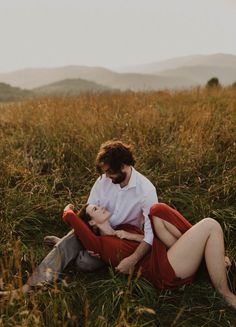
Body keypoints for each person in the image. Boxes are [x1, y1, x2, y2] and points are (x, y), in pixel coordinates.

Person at [6, 140, 158, 291]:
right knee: (70, 243)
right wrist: (88, 240)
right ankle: (30, 286)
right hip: (95, 231)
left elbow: (151, 235)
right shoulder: (103, 180)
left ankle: (67, 247)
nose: (106, 176)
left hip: (121, 242)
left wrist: (132, 259)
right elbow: (88, 214)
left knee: (84, 263)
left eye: (109, 171)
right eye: (104, 172)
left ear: (124, 165)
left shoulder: (146, 191)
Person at [59, 203, 236, 309]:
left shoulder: (125, 228)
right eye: (96, 209)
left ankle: (207, 258)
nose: (102, 207)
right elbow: (71, 217)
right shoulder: (99, 244)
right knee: (210, 224)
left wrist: (132, 235)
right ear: (91, 222)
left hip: (167, 253)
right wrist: (69, 209)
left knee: (157, 210)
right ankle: (225, 292)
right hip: (165, 269)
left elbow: (149, 239)